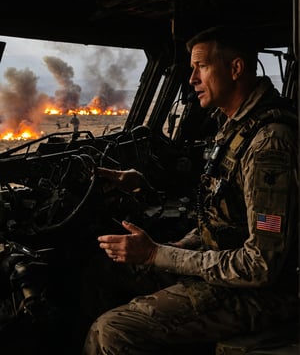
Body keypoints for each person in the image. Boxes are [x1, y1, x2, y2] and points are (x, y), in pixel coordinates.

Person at [82, 26, 298, 354]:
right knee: (101, 270)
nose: (191, 79)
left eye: (202, 66)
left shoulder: (270, 144)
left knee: (111, 332)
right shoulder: (237, 126)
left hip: (262, 295)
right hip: (230, 272)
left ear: (236, 69)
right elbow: (225, 206)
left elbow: (261, 266)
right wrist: (176, 245)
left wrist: (160, 254)